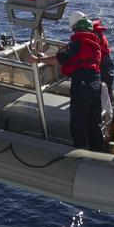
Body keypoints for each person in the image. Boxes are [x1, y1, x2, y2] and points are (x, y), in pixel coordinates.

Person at [31, 16, 108, 152]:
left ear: (76, 29)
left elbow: (59, 59)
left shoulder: (77, 44)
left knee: (78, 121)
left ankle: (80, 151)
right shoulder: (95, 42)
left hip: (82, 86)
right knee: (94, 121)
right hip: (96, 83)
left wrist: (38, 59)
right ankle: (98, 152)